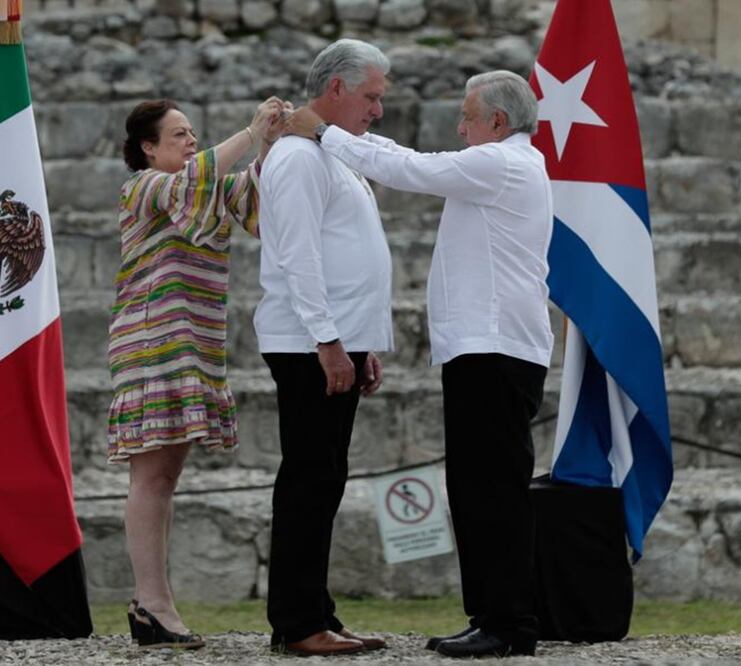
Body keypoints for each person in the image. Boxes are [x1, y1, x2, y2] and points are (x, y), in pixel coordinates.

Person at [286, 70, 554, 658]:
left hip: (496, 349)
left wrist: (324, 132)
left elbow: (409, 170)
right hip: (483, 349)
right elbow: (409, 156)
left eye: (467, 116)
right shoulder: (498, 164)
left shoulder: (502, 164)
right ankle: (491, 614)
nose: (460, 127)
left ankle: (510, 623)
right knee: (475, 485)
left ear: (498, 123)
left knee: (493, 489)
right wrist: (336, 133)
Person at [108, 96, 284, 648]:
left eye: (192, 133)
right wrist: (250, 132)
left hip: (195, 344)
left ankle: (152, 602)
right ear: (148, 148)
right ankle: (152, 602)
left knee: (165, 478)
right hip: (149, 343)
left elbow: (255, 204)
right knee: (151, 477)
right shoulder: (142, 188)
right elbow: (199, 178)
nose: (190, 143)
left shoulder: (206, 185)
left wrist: (273, 144)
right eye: (179, 135)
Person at [254, 38, 394, 657]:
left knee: (325, 476)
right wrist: (329, 341)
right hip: (308, 343)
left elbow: (348, 256)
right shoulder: (299, 159)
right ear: (335, 88)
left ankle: (316, 611)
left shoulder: (334, 155)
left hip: (335, 340)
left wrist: (361, 343)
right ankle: (298, 621)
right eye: (371, 96)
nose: (378, 109)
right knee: (311, 478)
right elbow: (299, 258)